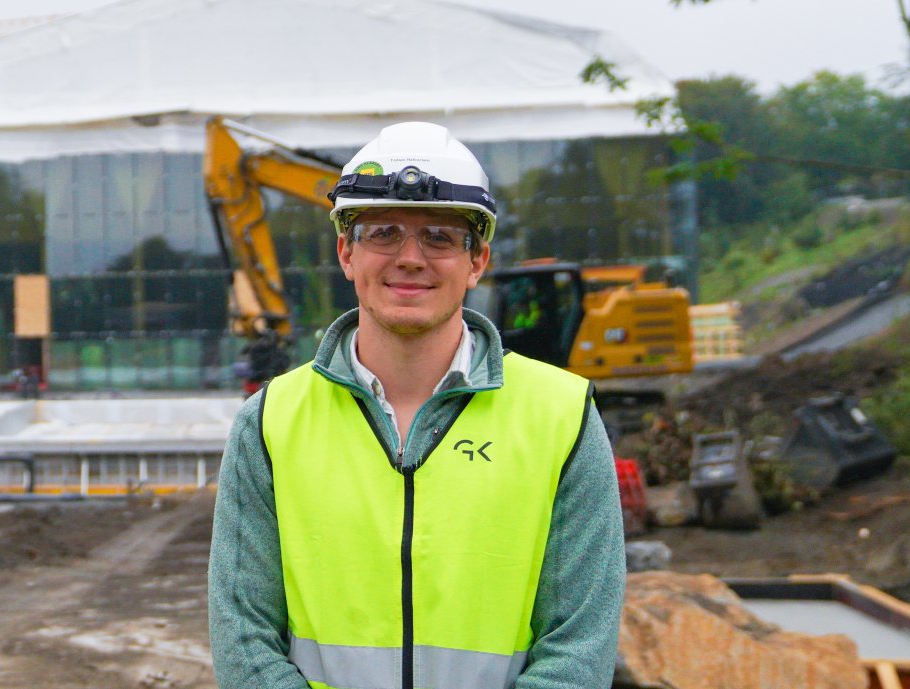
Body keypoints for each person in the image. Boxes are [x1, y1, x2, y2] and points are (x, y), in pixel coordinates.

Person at [208, 122, 625, 689]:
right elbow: (244, 641)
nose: (410, 258)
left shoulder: (563, 417)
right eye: (383, 232)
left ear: (477, 260)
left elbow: (579, 649)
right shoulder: (270, 423)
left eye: (439, 236)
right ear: (345, 252)